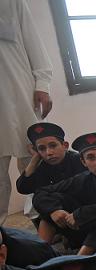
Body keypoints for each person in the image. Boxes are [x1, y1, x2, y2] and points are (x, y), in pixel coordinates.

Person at [32, 132, 96, 264]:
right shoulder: (83, 178)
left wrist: (81, 214)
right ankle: (39, 256)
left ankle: (78, 265)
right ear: (83, 162)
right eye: (91, 158)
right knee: (55, 202)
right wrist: (54, 211)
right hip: (84, 228)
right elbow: (42, 192)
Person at [0, 0, 53, 225]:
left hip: (20, 93)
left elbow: (33, 42)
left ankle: (42, 219)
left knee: (33, 159)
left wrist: (43, 83)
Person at [16, 122, 85, 224]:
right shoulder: (44, 165)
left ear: (65, 145)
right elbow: (23, 188)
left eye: (53, 146)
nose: (48, 152)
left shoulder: (80, 161)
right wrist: (35, 159)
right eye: (42, 148)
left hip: (82, 211)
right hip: (57, 211)